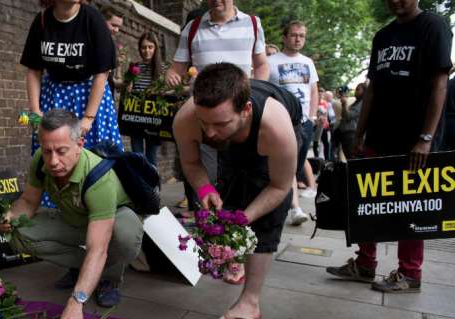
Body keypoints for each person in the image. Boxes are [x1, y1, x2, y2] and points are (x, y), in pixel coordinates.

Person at [326, 0, 451, 293]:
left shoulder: (433, 26)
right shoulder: (382, 35)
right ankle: (365, 264)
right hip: (379, 134)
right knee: (367, 202)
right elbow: (373, 89)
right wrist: (359, 134)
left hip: (414, 137)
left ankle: (410, 273)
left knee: (411, 203)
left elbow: (440, 84)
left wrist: (425, 138)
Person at [0, 109, 143, 319]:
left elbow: (98, 248)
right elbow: (28, 202)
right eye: (47, 151)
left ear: (79, 144)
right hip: (74, 220)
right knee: (18, 232)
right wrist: (10, 216)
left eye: (61, 151)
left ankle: (110, 277)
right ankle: (83, 269)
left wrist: (77, 301)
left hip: (112, 223)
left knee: (123, 237)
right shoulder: (40, 161)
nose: (53, 161)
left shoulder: (99, 178)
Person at [174, 63, 299, 319]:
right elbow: (192, 163)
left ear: (246, 111)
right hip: (238, 137)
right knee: (228, 190)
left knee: (265, 216)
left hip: (282, 128)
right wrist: (206, 189)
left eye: (219, 124)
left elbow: (279, 186)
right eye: (203, 122)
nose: (208, 133)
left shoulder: (276, 130)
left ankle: (250, 302)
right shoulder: (187, 120)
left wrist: (244, 218)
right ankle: (237, 257)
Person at [166, 0, 270, 211]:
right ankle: (210, 216)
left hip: (239, 116)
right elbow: (176, 68)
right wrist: (172, 75)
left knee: (242, 175)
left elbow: (261, 64)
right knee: (207, 175)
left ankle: (238, 220)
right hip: (204, 116)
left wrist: (258, 93)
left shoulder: (252, 23)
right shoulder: (192, 27)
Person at [21, 0, 123, 207]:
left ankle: (101, 209)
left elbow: (102, 73)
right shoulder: (42, 20)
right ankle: (55, 209)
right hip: (53, 95)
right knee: (52, 153)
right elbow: (33, 70)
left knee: (95, 155)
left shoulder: (92, 18)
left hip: (89, 96)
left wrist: (88, 118)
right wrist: (35, 112)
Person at [268, 20, 319, 225]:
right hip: (281, 121)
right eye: (294, 35)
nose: (298, 39)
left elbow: (314, 90)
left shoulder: (308, 62)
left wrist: (313, 117)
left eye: (302, 35)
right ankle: (294, 208)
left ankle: (285, 204)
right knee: (286, 164)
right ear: (284, 37)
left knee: (294, 165)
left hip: (305, 122)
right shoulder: (271, 61)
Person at [126, 32, 165, 166]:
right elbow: (127, 90)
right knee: (137, 154)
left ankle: (152, 185)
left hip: (153, 117)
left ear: (155, 48)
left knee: (151, 155)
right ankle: (139, 184)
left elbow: (168, 91)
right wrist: (128, 87)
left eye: (150, 47)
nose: (146, 51)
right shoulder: (134, 67)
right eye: (143, 47)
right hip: (136, 115)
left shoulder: (163, 68)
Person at [332, 83, 365, 160]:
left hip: (352, 134)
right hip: (347, 134)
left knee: (352, 158)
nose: (355, 92)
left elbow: (348, 116)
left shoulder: (361, 103)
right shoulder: (356, 102)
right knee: (349, 157)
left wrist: (345, 103)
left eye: (358, 89)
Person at [100, 5, 125, 95]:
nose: (116, 30)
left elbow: (109, 78)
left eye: (119, 27)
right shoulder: (91, 41)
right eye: (113, 25)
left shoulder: (111, 44)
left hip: (107, 94)